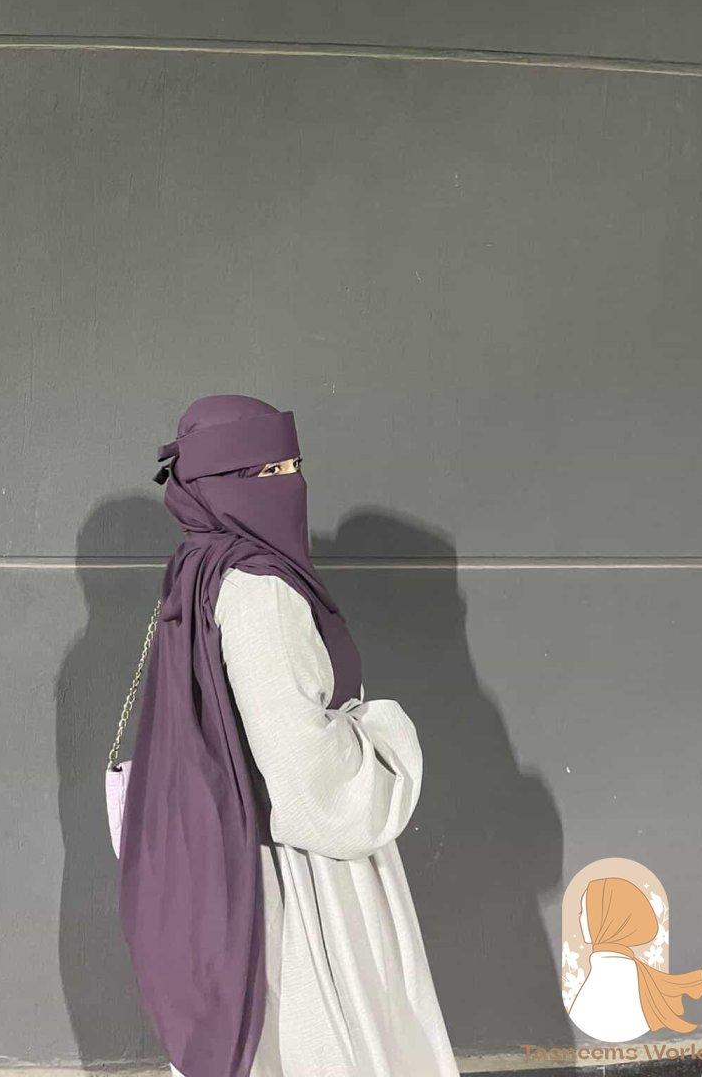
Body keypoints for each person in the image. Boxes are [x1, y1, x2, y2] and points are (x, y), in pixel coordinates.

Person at [118, 394, 460, 1077]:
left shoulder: (195, 568)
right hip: (302, 883)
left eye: (293, 465)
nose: (290, 483)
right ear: (221, 483)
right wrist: (386, 737)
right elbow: (309, 781)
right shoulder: (260, 590)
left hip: (233, 857)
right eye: (268, 471)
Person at [568, 876, 702, 1043]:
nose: (579, 917)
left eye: (584, 911)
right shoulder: (614, 966)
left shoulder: (609, 970)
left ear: (606, 917)